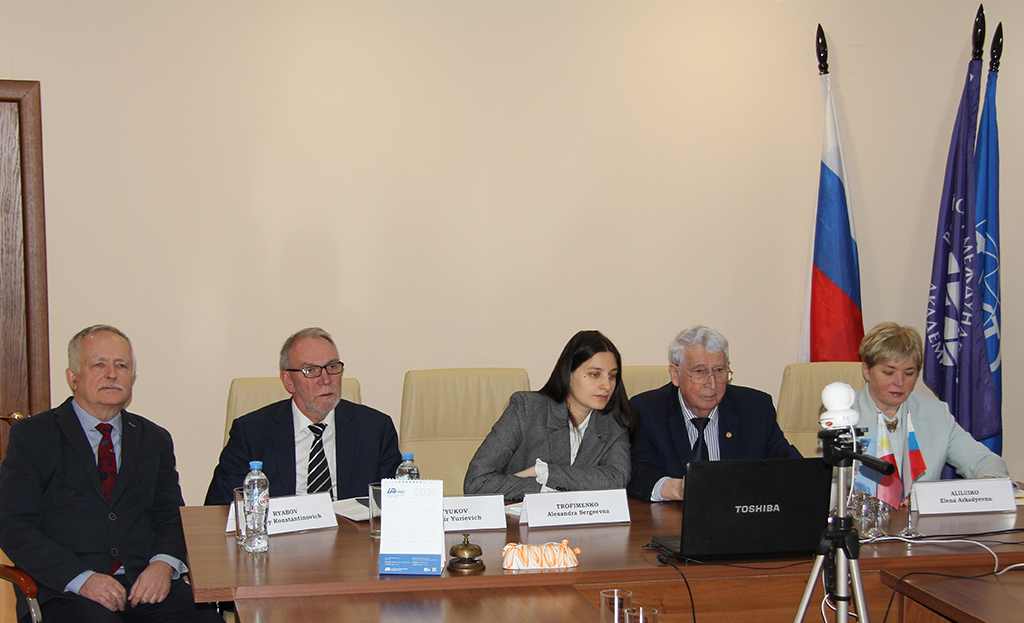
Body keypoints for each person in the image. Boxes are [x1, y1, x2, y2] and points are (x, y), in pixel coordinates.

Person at [0, 325, 222, 623]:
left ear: (132, 377)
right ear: (72, 377)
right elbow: (14, 526)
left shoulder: (153, 439)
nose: (112, 374)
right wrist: (82, 579)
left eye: (121, 365)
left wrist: (163, 565)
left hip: (145, 585)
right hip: (67, 591)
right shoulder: (34, 435)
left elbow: (170, 516)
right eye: (98, 365)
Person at [205, 327, 400, 505]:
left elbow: (398, 504)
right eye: (311, 370)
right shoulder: (251, 433)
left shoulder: (375, 429)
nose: (326, 379)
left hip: (350, 532)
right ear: (288, 381)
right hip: (282, 532)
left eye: (332, 367)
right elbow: (219, 507)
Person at [628, 325, 800, 501]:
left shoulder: (755, 408)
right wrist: (677, 489)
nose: (712, 384)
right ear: (675, 374)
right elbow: (638, 473)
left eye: (719, 371)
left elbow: (791, 467)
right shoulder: (647, 410)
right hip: (673, 516)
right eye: (699, 372)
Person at [464, 330, 640, 500]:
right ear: (568, 375)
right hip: (520, 517)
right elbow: (477, 482)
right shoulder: (527, 409)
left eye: (612, 376)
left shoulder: (614, 422)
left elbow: (617, 479)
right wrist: (544, 489)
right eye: (595, 374)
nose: (607, 385)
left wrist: (545, 472)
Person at [852, 322, 1009, 505]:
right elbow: (831, 483)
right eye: (889, 372)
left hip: (919, 521)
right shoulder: (844, 416)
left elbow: (986, 461)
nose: (900, 382)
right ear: (867, 371)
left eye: (909, 373)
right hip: (863, 518)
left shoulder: (936, 413)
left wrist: (986, 486)